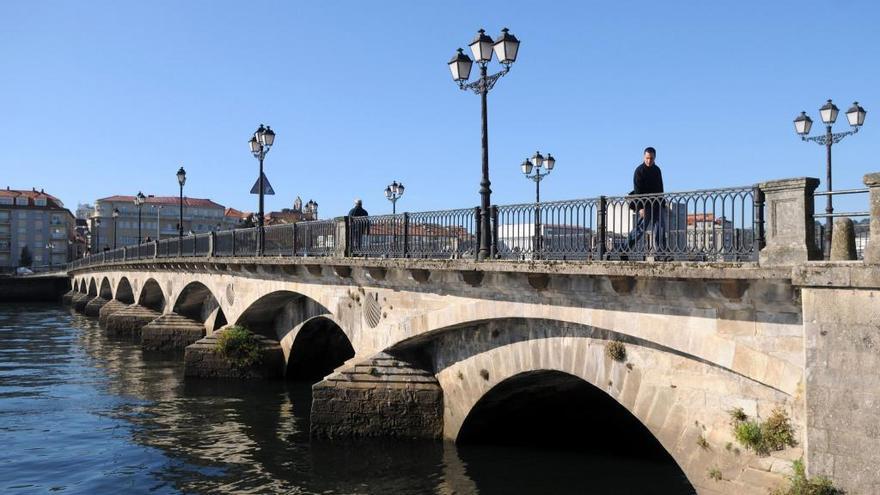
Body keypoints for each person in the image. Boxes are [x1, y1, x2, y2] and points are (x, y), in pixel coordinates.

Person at [625, 147, 667, 255]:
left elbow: (660, 187)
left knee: (660, 228)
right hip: (645, 205)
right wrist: (640, 208)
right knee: (639, 230)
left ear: (655, 158)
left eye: (651, 158)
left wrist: (663, 203)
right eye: (647, 158)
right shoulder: (639, 171)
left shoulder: (657, 170)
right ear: (644, 157)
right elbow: (638, 191)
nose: (649, 161)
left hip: (656, 204)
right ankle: (623, 250)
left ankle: (661, 253)